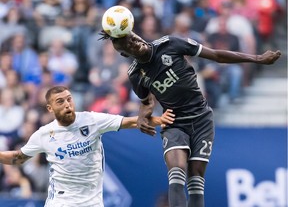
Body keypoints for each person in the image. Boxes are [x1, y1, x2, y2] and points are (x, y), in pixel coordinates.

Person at [98, 30, 281, 207]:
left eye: (133, 37)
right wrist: (142, 117)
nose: (134, 43)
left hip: (202, 118)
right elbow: (146, 101)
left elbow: (217, 55)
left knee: (195, 180)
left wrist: (257, 58)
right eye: (129, 46)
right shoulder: (136, 74)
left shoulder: (170, 44)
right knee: (177, 171)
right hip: (175, 123)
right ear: (124, 54)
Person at [0, 85, 175, 207]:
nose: (67, 104)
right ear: (50, 108)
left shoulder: (91, 120)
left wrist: (160, 120)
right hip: (60, 202)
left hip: (92, 203)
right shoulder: (43, 134)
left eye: (69, 99)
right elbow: (17, 158)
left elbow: (130, 122)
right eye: (60, 101)